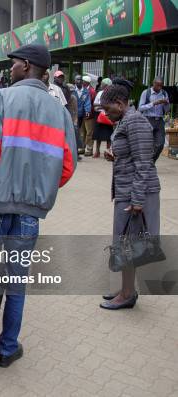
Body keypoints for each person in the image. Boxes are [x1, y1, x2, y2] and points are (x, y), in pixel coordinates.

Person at [0, 44, 77, 368]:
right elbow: (67, 166)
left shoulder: (0, 100)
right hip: (31, 211)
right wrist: (39, 187)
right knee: (16, 280)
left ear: (27, 66)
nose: (10, 68)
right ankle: (8, 348)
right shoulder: (59, 111)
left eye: (13, 63)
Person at [100, 83, 161, 310]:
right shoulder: (126, 121)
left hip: (137, 193)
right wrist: (115, 155)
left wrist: (137, 200)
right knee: (126, 242)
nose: (106, 114)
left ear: (120, 103)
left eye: (108, 109)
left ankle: (126, 295)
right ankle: (127, 290)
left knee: (129, 243)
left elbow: (144, 164)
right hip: (128, 190)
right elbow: (132, 154)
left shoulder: (135, 122)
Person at [138, 77, 170, 162]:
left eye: (161, 86)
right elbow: (140, 108)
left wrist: (166, 104)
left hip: (159, 121)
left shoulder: (164, 93)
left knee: (160, 144)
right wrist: (154, 103)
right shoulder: (146, 93)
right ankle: (145, 162)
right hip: (148, 120)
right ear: (153, 84)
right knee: (146, 145)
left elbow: (167, 110)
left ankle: (151, 162)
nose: (159, 88)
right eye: (158, 85)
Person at [92, 78, 114, 158]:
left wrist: (101, 106)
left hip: (109, 115)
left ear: (107, 86)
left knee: (108, 136)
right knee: (98, 135)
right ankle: (97, 151)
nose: (101, 86)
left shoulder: (112, 94)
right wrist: (103, 106)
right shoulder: (100, 93)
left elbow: (112, 105)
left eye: (103, 85)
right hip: (99, 115)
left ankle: (107, 152)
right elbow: (95, 104)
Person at [75, 75, 94, 156]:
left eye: (80, 80)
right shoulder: (72, 90)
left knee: (86, 132)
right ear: (74, 81)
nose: (79, 81)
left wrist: (87, 111)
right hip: (74, 115)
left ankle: (84, 149)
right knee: (78, 132)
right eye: (77, 79)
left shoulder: (86, 91)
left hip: (83, 115)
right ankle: (78, 148)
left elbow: (87, 102)